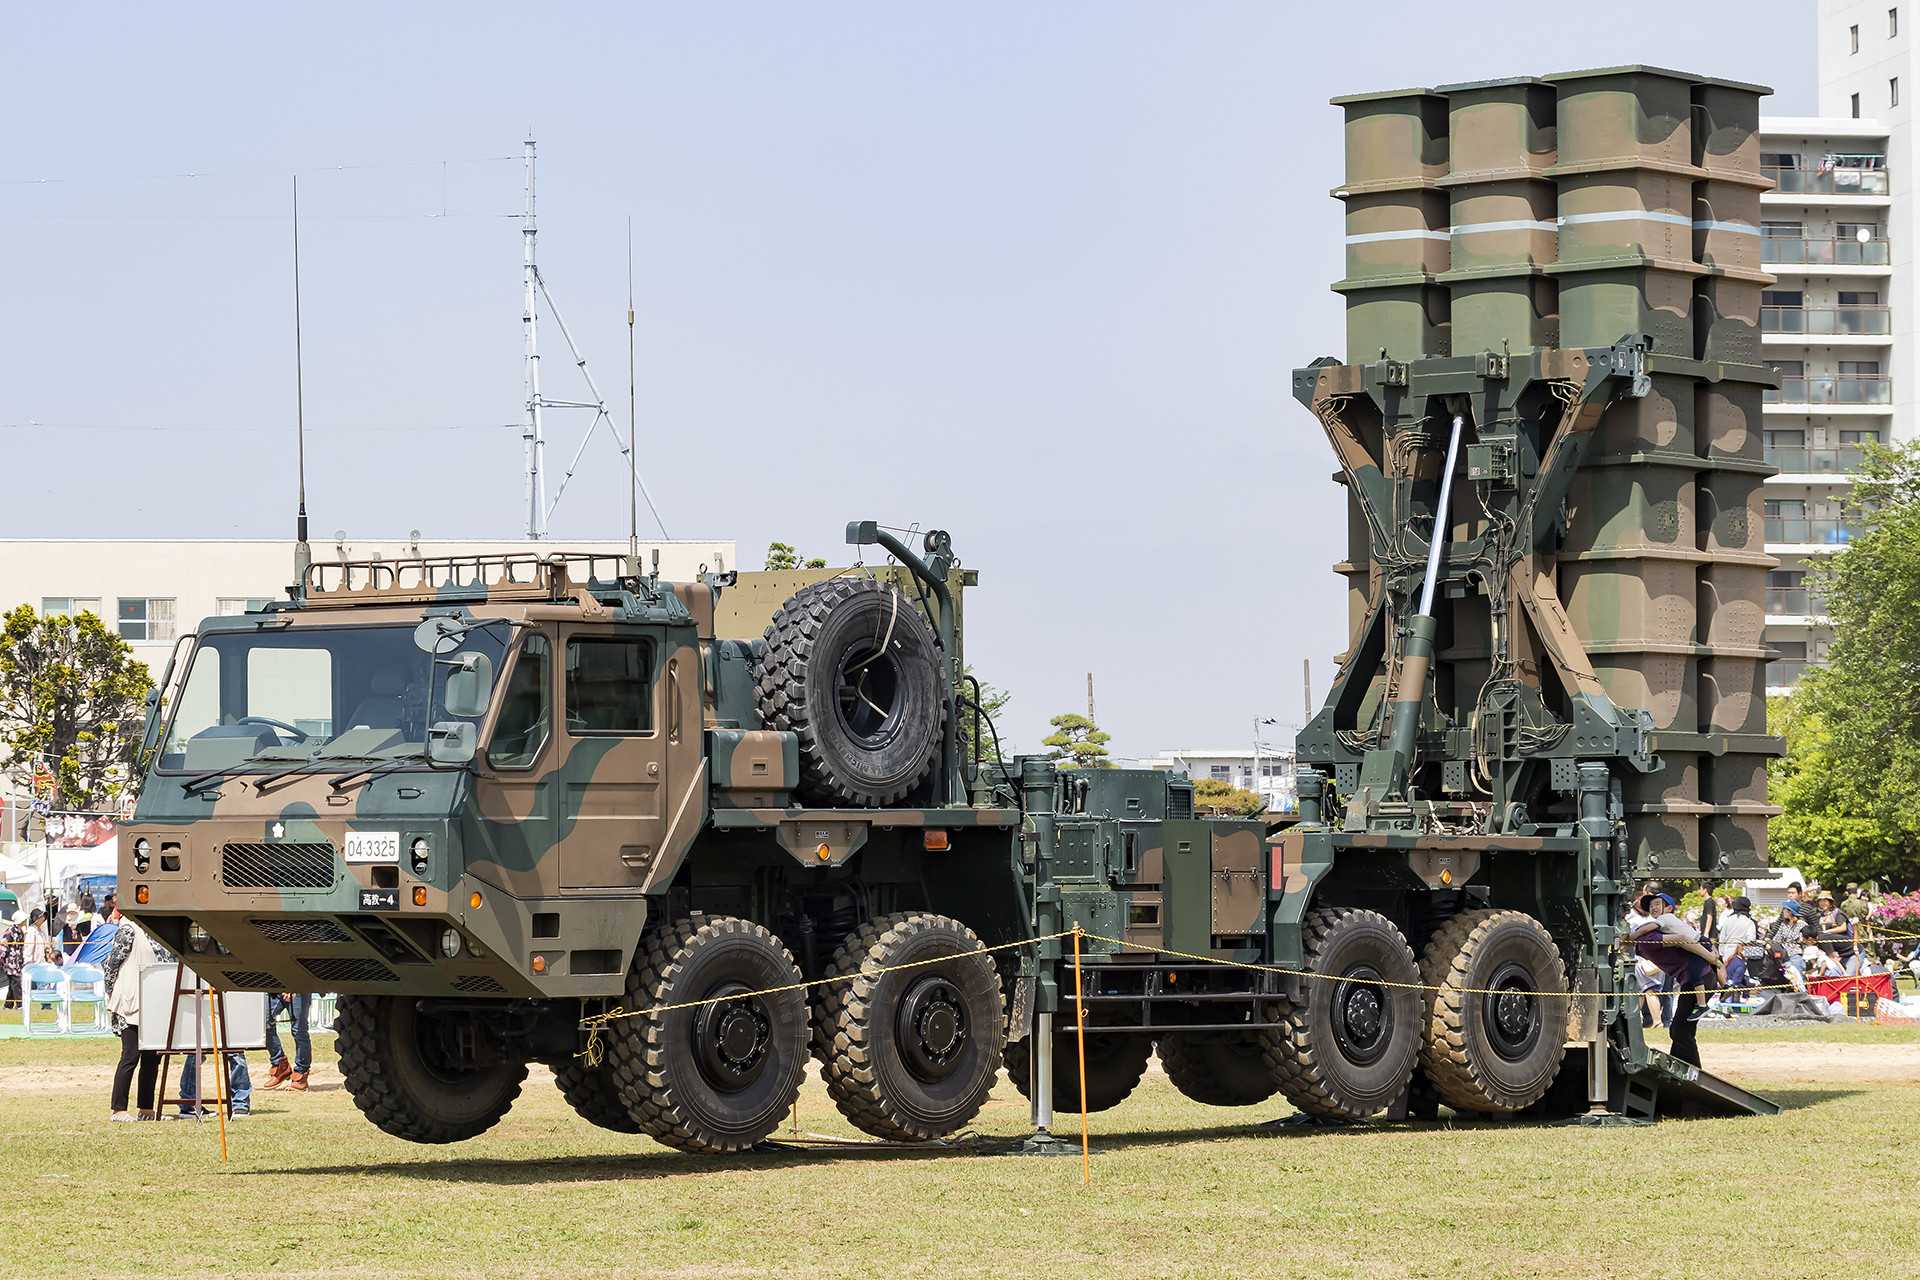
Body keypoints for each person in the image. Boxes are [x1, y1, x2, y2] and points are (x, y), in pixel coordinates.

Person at [1627, 890, 1725, 1068]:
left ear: (1668, 908)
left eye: (1657, 904)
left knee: (1680, 1031)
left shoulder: (1650, 937)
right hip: (1698, 978)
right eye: (1651, 905)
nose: (1653, 907)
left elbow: (1681, 939)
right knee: (1681, 1030)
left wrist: (1711, 958)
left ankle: (1691, 1071)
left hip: (1699, 979)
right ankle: (1680, 1067)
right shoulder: (1651, 933)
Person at [105, 914, 168, 1121]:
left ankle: (146, 1109)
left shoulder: (159, 930)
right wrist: (112, 993)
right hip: (130, 1001)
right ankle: (118, 1109)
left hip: (153, 1002)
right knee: (130, 1055)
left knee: (152, 1058)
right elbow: (112, 965)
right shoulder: (128, 929)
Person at [262, 991, 312, 1091]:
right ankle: (281, 1066)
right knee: (263, 1025)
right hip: (274, 989)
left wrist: (293, 987)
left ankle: (301, 1075)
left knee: (299, 1032)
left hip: (299, 990)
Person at [1718, 896, 1759, 993]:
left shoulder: (1728, 920)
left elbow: (1722, 939)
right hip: (1741, 956)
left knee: (1727, 983)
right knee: (1739, 984)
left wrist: (1722, 955)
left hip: (1726, 955)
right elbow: (1751, 941)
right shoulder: (1749, 922)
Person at [1816, 891, 1859, 976]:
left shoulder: (1837, 913)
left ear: (1830, 902)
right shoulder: (1821, 915)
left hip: (1847, 948)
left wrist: (1826, 932)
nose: (1822, 903)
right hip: (1833, 950)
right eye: (1820, 901)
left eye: (1825, 901)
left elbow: (1843, 927)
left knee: (1848, 975)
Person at [1769, 905, 1810, 992]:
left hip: (1796, 955)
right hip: (1783, 956)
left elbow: (1805, 941)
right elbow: (1776, 939)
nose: (1783, 912)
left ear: (1790, 912)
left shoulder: (1802, 924)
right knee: (1787, 980)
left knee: (1798, 980)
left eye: (1785, 910)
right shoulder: (1783, 924)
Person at [1, 910, 24, 1008]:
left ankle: (8, 1005)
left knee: (12, 983)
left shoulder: (20, 932)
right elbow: (3, 946)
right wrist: (2, 959)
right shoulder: (10, 931)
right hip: (10, 962)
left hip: (17, 962)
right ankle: (20, 1004)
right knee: (16, 982)